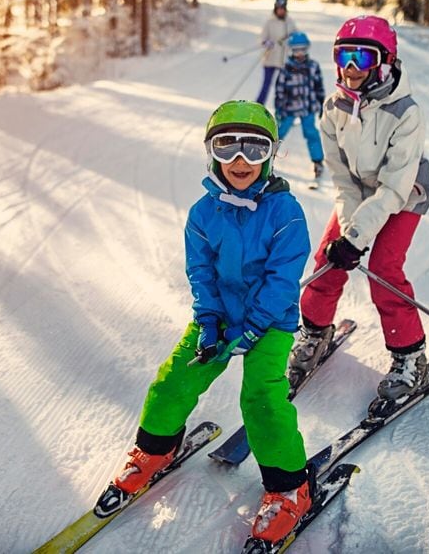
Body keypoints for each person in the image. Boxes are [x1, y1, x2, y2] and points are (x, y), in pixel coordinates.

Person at [109, 100, 314, 544]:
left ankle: (289, 488)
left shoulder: (286, 213)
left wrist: (256, 327)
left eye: (254, 149)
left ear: (271, 154)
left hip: (270, 323)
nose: (240, 160)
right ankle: (154, 450)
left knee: (260, 398)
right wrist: (208, 319)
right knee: (174, 378)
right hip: (220, 317)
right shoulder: (203, 214)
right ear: (211, 152)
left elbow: (282, 280)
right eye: (227, 147)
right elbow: (199, 272)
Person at [287, 15, 429, 418]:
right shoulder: (332, 107)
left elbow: (392, 189)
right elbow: (343, 181)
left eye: (361, 57)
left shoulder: (406, 112)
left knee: (384, 268)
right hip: (360, 193)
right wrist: (350, 235)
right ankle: (315, 332)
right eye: (343, 57)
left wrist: (361, 239)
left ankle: (410, 356)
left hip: (403, 195)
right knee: (327, 261)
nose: (350, 68)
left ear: (385, 62)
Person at [274, 31, 326, 184]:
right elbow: (279, 89)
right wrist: (279, 108)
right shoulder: (286, 68)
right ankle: (266, 158)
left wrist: (321, 103)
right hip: (289, 108)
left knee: (311, 133)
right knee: (279, 132)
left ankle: (317, 161)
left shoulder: (313, 66)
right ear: (291, 50)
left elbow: (319, 86)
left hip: (308, 107)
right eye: (296, 50)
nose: (300, 53)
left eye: (303, 49)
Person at [255, 0, 296, 106]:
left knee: (283, 86)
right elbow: (261, 39)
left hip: (283, 60)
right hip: (270, 59)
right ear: (275, 9)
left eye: (282, 8)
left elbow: (296, 37)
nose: (281, 11)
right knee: (266, 85)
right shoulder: (269, 22)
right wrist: (266, 43)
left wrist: (289, 41)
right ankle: (258, 106)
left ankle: (284, 109)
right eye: (279, 8)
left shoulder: (290, 22)